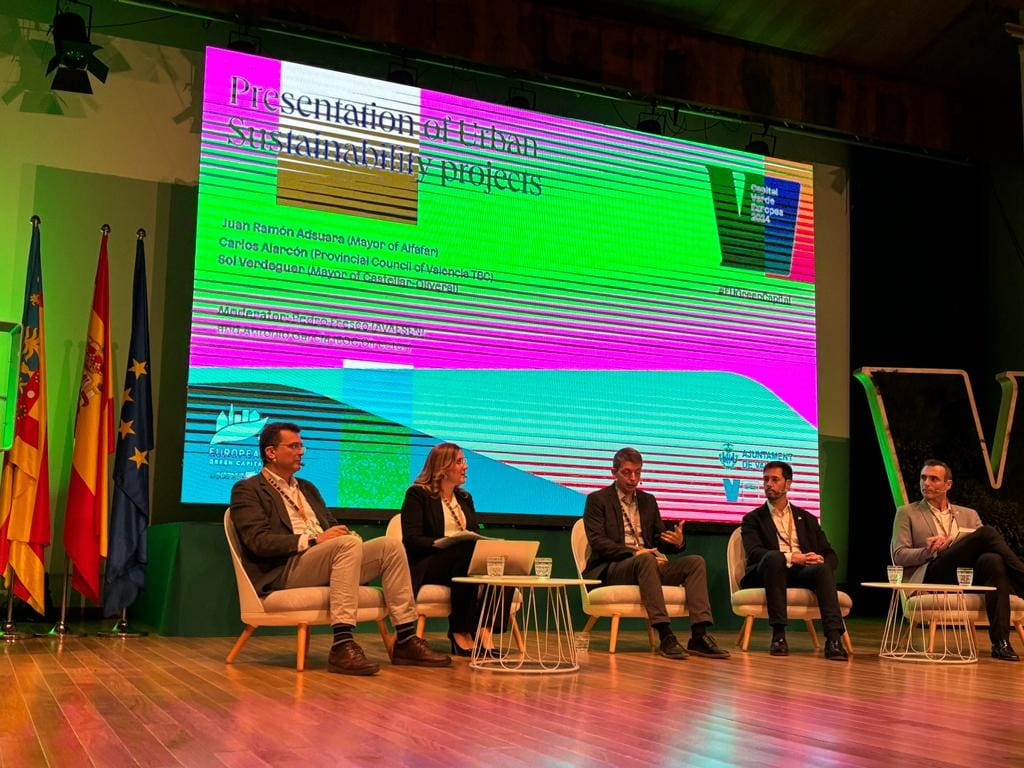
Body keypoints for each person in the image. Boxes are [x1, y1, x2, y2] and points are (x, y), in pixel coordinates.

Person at [230, 422, 452, 675]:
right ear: (271, 452)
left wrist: (343, 534)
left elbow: (331, 526)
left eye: (301, 446)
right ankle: (342, 644)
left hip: (327, 558)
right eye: (293, 446)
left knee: (389, 546)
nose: (301, 451)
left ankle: (406, 639)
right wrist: (314, 540)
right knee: (346, 545)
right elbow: (258, 541)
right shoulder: (248, 489)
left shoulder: (307, 488)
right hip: (285, 568)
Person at [582, 447, 729, 660]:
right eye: (627, 472)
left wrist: (676, 542)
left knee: (695, 562)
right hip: (614, 567)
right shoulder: (598, 500)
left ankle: (699, 635)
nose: (633, 478)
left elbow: (658, 539)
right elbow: (598, 542)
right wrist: (634, 553)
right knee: (645, 559)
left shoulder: (648, 501)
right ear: (613, 472)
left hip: (648, 564)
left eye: (638, 472)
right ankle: (665, 635)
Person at [892, 459, 1024, 661]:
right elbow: (899, 555)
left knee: (993, 560)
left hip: (966, 576)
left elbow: (983, 549)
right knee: (987, 533)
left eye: (933, 479)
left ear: (948, 485)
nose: (926, 483)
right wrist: (930, 550)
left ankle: (1001, 643)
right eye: (923, 478)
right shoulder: (907, 513)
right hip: (933, 574)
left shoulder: (969, 514)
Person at [400, 442, 505, 655]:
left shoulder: (465, 498)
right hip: (429, 562)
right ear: (443, 466)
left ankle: (484, 630)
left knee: (501, 559)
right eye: (459, 462)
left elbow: (475, 535)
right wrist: (443, 542)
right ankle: (459, 631)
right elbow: (411, 540)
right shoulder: (418, 494)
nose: (465, 466)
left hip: (462, 560)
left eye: (463, 461)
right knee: (464, 552)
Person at [740, 461, 848, 660]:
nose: (768, 484)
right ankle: (778, 636)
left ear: (788, 484)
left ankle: (833, 639)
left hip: (800, 573)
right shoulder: (753, 519)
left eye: (774, 479)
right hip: (768, 573)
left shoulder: (806, 518)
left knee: (823, 569)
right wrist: (791, 557)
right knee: (774, 557)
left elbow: (830, 554)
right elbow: (755, 553)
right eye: (765, 479)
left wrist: (819, 561)